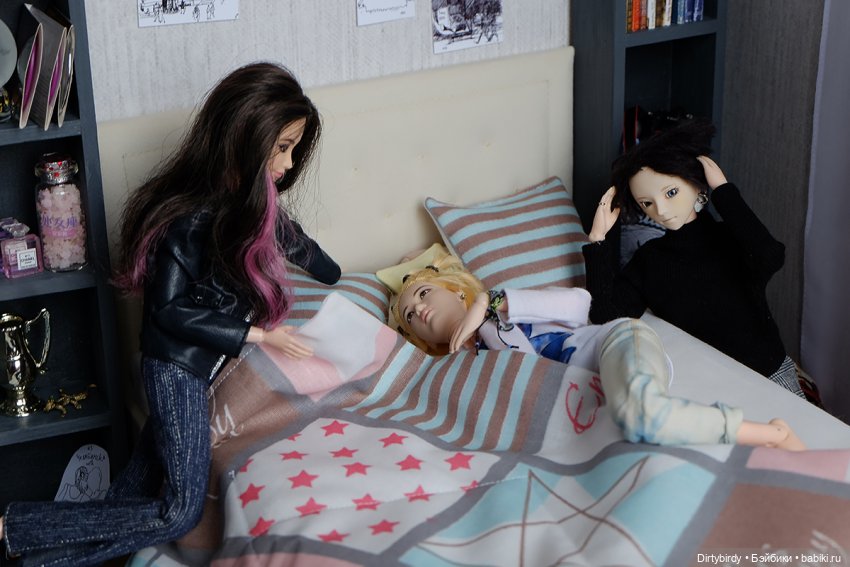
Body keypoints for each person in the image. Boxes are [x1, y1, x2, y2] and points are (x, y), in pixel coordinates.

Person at [0, 62, 339, 566]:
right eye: (283, 147)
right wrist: (258, 336)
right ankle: (14, 526)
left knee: (132, 491)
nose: (289, 165)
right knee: (178, 512)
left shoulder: (248, 213)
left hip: (196, 371)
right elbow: (169, 312)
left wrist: (306, 248)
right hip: (174, 370)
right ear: (247, 139)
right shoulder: (188, 221)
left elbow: (324, 267)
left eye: (295, 149)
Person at [391, 251, 805, 451]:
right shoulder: (461, 369)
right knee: (636, 440)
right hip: (590, 406)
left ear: (455, 290)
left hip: (615, 344)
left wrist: (488, 301)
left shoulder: (502, 309)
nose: (419, 309)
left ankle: (772, 435)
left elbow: (578, 305)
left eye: (424, 292)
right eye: (409, 315)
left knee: (642, 415)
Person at [581, 119, 808, 399]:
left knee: (802, 427)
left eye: (671, 192)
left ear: (696, 185)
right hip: (707, 388)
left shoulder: (730, 238)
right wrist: (597, 240)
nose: (661, 210)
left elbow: (770, 255)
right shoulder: (650, 260)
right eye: (646, 203)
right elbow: (605, 316)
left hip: (767, 372)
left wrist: (723, 190)